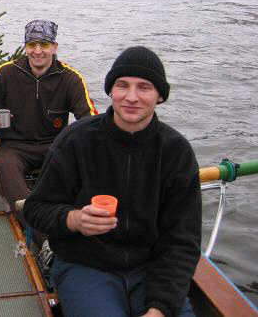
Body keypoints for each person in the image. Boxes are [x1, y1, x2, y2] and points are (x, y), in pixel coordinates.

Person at [24, 46, 202, 317]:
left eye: (144, 87)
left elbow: (181, 241)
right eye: (122, 85)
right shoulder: (76, 140)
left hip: (151, 267)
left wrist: (159, 309)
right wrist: (74, 219)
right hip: (85, 264)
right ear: (110, 91)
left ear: (160, 96)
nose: (131, 97)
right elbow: (35, 208)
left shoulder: (176, 152)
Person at [0, 19, 97, 212]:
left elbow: (89, 119)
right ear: (25, 47)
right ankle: (34, 220)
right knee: (4, 165)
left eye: (44, 44)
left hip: (54, 144)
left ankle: (73, 212)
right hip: (13, 146)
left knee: (77, 166)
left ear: (54, 47)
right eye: (32, 44)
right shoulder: (6, 72)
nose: (38, 50)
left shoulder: (70, 78)